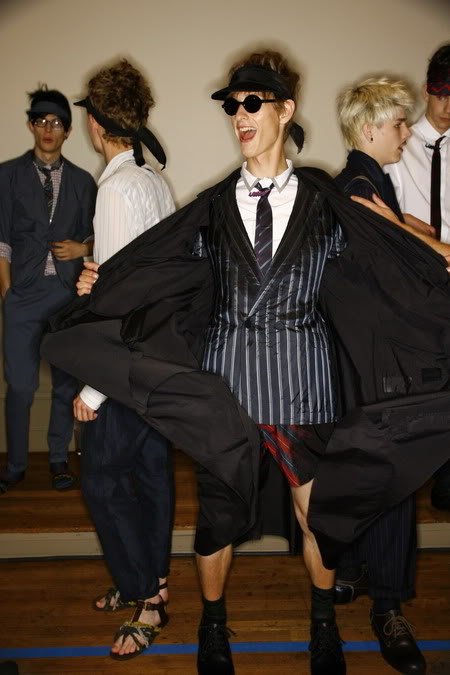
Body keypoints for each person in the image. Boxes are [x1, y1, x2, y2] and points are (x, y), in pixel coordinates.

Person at [42, 51, 450, 675]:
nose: (239, 114)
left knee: (319, 518)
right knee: (218, 524)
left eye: (252, 103)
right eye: (232, 105)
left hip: (305, 384)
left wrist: (435, 266)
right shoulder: (210, 206)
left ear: (285, 110)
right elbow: (160, 270)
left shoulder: (324, 198)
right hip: (227, 391)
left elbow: (386, 263)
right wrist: (107, 281)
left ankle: (323, 630)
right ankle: (213, 630)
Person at [72, 59, 176, 661]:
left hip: (125, 365)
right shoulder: (153, 177)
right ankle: (149, 579)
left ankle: (146, 598)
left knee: (104, 481)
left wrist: (93, 390)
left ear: (95, 122)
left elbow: (116, 301)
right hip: (157, 358)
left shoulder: (116, 187)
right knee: (150, 475)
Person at [332, 76, 426, 675]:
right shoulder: (359, 190)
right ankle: (387, 608)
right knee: (394, 479)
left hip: (368, 365)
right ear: (370, 129)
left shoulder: (366, 184)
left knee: (370, 476)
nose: (407, 134)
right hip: (378, 369)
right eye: (398, 124)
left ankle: (358, 572)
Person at [0, 86, 96, 494]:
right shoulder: (7, 176)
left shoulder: (83, 181)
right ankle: (15, 464)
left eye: (56, 122)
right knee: (21, 386)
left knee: (65, 384)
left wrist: (82, 249)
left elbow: (98, 235)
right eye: (41, 121)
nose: (48, 129)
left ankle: (59, 458)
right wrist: (7, 293)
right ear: (31, 126)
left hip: (66, 295)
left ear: (68, 130)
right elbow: (1, 239)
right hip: (22, 295)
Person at [385, 43, 450, 512]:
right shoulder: (400, 145)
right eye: (443, 93)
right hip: (413, 288)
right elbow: (384, 218)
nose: (449, 106)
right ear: (428, 89)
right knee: (419, 389)